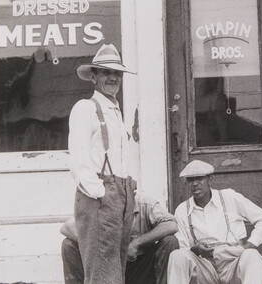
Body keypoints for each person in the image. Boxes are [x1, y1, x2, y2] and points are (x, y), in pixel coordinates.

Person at [68, 43, 137, 284]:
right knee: (101, 274)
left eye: (116, 73)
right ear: (94, 76)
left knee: (116, 270)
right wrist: (102, 193)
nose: (112, 78)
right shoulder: (85, 108)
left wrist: (127, 187)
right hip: (100, 198)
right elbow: (79, 160)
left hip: (121, 197)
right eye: (106, 72)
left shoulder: (116, 112)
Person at [168, 160, 262, 284]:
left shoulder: (229, 197)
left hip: (232, 262)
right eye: (190, 180)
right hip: (204, 266)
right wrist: (195, 249)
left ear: (210, 179)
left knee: (252, 255)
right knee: (177, 256)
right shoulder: (182, 209)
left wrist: (249, 245)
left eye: (200, 178)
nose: (195, 184)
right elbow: (183, 247)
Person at [61, 193, 179, 284]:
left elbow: (171, 225)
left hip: (139, 266)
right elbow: (66, 227)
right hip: (107, 268)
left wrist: (137, 243)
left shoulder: (145, 203)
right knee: (68, 244)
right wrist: (99, 247)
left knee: (170, 241)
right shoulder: (99, 204)